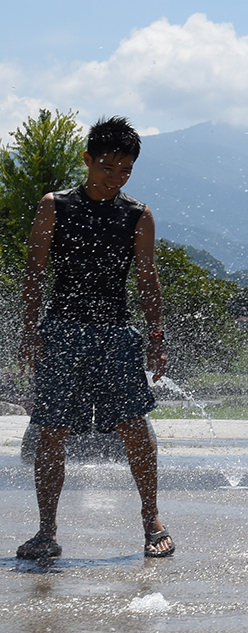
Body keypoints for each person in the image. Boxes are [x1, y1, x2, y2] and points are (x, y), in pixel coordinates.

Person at [14, 116, 176, 560]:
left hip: (115, 334)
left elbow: (148, 281)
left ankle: (151, 520)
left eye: (125, 170)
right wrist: (30, 332)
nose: (115, 176)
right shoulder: (56, 205)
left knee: (135, 429)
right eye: (108, 166)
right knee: (51, 431)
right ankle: (46, 530)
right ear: (87, 160)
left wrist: (157, 336)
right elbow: (34, 272)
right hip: (62, 331)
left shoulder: (137, 215)